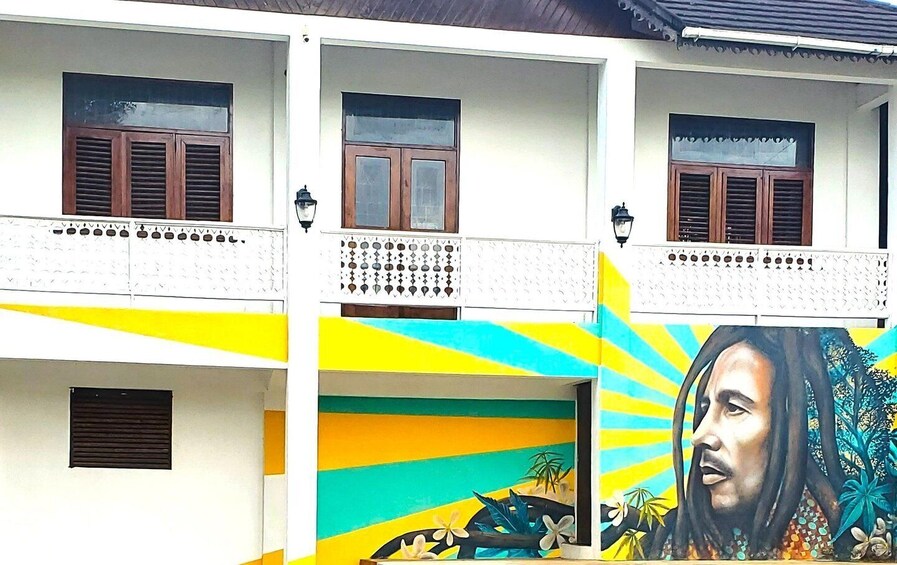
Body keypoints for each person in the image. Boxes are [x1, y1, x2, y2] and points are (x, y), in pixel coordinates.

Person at [644, 326, 844, 560]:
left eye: (733, 407)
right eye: (705, 409)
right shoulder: (675, 543)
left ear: (789, 426)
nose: (699, 436)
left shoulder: (830, 540)